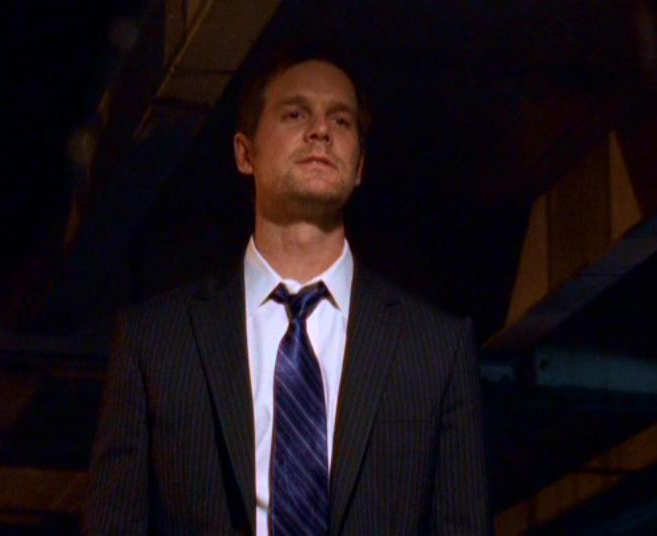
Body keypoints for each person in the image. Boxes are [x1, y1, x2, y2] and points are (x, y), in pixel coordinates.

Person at [86, 47, 491, 535]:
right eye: (296, 113)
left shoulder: (435, 348)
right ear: (245, 153)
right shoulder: (155, 340)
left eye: (341, 121)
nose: (321, 130)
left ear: (359, 167)